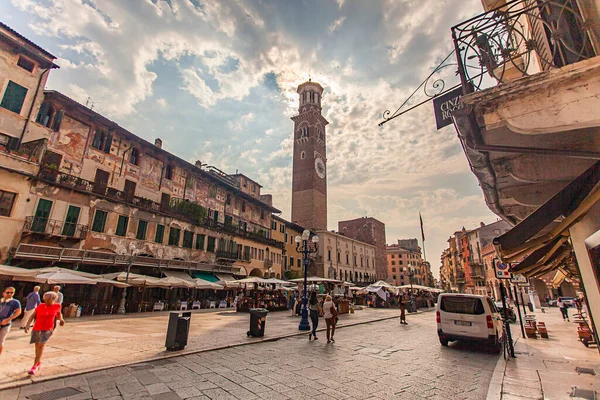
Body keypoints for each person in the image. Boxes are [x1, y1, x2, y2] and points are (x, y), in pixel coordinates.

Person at [24, 291, 65, 375]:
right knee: (37, 346)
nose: (45, 300)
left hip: (48, 329)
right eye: (45, 298)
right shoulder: (40, 306)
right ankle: (38, 362)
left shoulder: (57, 306)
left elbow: (59, 314)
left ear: (53, 298)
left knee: (41, 346)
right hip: (37, 327)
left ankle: (34, 366)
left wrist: (61, 320)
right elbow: (33, 315)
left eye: (47, 299)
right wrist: (27, 325)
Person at [0, 286, 22, 357]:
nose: (9, 294)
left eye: (12, 293)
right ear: (3, 293)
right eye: (8, 292)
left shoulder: (15, 302)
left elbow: (18, 312)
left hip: (5, 324)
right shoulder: (1, 301)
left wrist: (8, 319)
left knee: (1, 341)